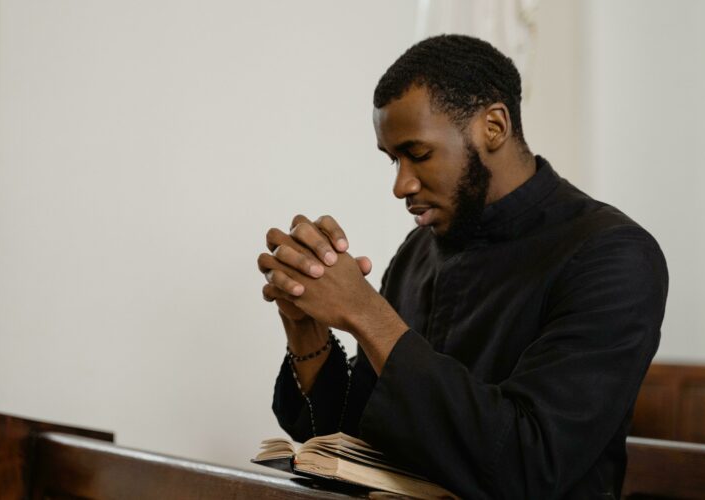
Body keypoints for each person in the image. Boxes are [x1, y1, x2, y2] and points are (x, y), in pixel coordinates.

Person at [257, 34, 668, 499]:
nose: (400, 184)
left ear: (492, 126)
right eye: (393, 159)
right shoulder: (416, 253)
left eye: (418, 154)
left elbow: (528, 464)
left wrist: (367, 314)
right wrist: (307, 332)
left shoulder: (612, 255)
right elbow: (359, 438)